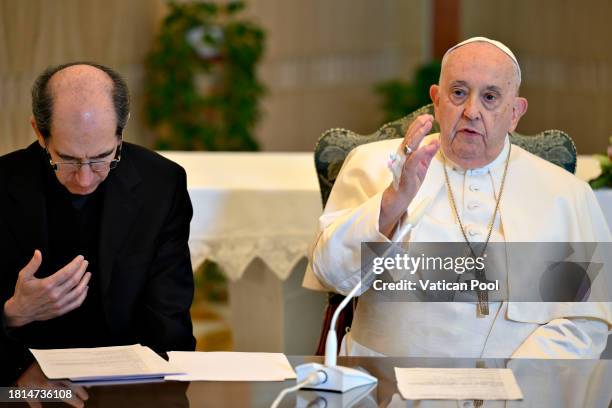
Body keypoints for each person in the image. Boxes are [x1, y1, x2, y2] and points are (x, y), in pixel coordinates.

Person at [304, 37, 612, 358]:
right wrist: (396, 198)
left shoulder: (564, 193)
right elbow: (332, 274)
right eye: (459, 93)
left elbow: (584, 321)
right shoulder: (372, 164)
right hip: (388, 388)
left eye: (490, 97)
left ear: (515, 113)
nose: (471, 111)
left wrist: (513, 386)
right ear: (437, 101)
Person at [0, 62, 195, 382]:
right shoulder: (4, 183)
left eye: (103, 157)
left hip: (130, 381)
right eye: (68, 159)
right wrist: (13, 313)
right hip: (22, 378)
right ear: (39, 132)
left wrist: (159, 387)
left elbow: (169, 317)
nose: (86, 178)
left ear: (122, 129)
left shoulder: (161, 183)